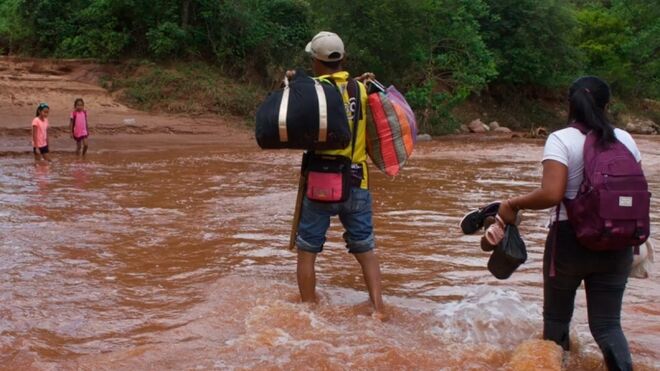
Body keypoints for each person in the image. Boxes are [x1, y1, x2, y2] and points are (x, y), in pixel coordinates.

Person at [497, 76, 639, 371]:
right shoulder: (625, 139)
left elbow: (552, 193)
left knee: (557, 322)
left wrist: (512, 204)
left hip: (569, 242)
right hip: (618, 242)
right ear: (607, 105)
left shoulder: (561, 139)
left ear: (569, 105)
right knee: (608, 326)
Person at [293, 31, 385, 318]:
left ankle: (309, 310)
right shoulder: (362, 90)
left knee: (307, 250)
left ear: (316, 62)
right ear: (342, 59)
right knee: (366, 249)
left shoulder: (310, 90)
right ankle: (378, 309)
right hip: (357, 181)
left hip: (320, 183)